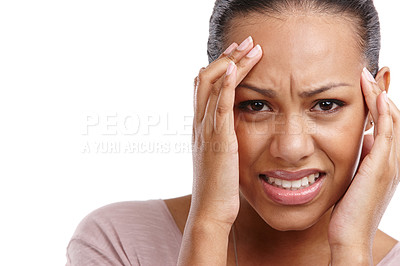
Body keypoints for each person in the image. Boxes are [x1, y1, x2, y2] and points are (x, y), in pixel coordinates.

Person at [66, 0, 400, 265]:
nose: (291, 147)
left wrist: (353, 249)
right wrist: (209, 225)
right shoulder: (119, 243)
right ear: (211, 102)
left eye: (326, 104)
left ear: (375, 102)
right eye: (256, 105)